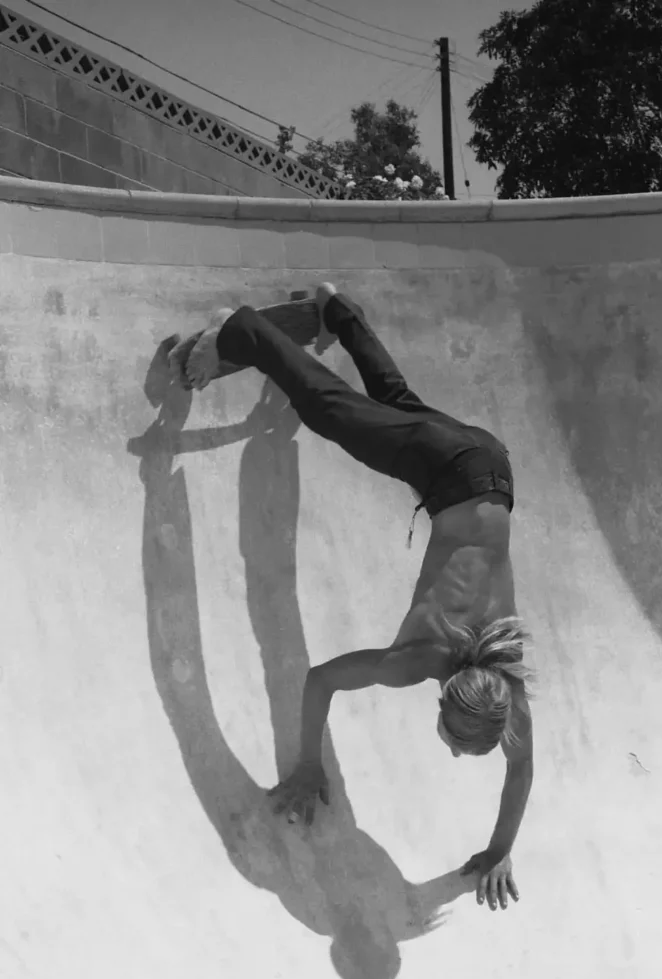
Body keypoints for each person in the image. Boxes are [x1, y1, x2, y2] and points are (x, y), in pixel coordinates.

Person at [169, 284, 535, 914]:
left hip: (492, 469)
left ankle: (335, 307)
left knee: (397, 405)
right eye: (453, 739)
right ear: (446, 698)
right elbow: (320, 680)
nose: (449, 748)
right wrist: (309, 766)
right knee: (327, 407)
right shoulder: (415, 659)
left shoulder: (507, 685)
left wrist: (500, 849)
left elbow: (520, 770)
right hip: (447, 470)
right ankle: (238, 332)